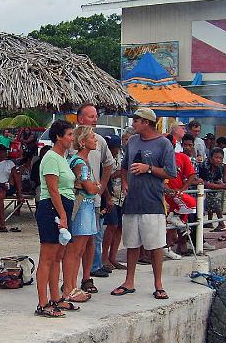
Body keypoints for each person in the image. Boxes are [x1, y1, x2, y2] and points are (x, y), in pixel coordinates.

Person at [112, 107, 176, 300]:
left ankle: (158, 284)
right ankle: (129, 281)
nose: (133, 124)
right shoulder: (132, 142)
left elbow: (171, 173)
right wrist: (124, 182)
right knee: (132, 244)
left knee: (155, 246)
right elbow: (124, 167)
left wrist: (148, 168)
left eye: (137, 120)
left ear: (146, 122)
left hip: (152, 202)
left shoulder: (164, 144)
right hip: (132, 202)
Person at [34, 119, 75, 318]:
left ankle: (56, 297)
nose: (72, 138)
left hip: (61, 207)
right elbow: (52, 188)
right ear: (59, 137)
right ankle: (43, 302)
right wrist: (63, 214)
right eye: (69, 134)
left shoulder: (62, 158)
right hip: (51, 208)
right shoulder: (51, 157)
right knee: (47, 257)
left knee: (57, 256)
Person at [71, 104, 114, 287]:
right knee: (75, 242)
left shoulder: (100, 141)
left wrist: (102, 186)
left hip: (91, 200)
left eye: (96, 116)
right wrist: (95, 187)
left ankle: (87, 276)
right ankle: (70, 281)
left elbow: (109, 163)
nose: (95, 119)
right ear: (80, 119)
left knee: (90, 239)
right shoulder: (71, 140)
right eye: (91, 116)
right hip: (77, 199)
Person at [61, 125, 101, 305]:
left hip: (86, 205)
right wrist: (97, 186)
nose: (96, 139)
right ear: (83, 142)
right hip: (83, 205)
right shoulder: (80, 162)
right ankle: (69, 287)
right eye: (93, 137)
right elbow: (90, 187)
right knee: (75, 250)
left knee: (78, 249)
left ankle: (71, 285)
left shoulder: (80, 161)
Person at [101, 135, 124, 272]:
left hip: (122, 196)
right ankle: (105, 257)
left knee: (119, 227)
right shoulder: (105, 159)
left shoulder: (121, 157)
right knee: (111, 225)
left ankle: (113, 256)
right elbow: (104, 178)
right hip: (111, 196)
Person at [198, 147, 226, 232]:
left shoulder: (219, 167)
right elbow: (207, 184)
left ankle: (211, 222)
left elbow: (217, 180)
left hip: (207, 186)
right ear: (211, 158)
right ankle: (221, 223)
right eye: (216, 157)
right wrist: (224, 186)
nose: (218, 160)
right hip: (197, 185)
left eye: (220, 158)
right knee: (213, 198)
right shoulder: (205, 165)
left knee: (214, 197)